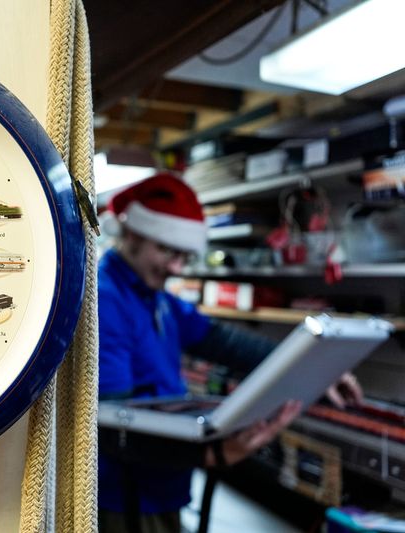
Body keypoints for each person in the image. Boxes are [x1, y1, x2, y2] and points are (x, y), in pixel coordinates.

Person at [97, 173, 362, 533]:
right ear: (130, 234)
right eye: (167, 251)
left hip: (163, 484)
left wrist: (321, 363)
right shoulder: (105, 300)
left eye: (183, 256)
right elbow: (110, 425)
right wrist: (210, 454)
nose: (177, 267)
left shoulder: (156, 298)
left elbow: (223, 341)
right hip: (126, 497)